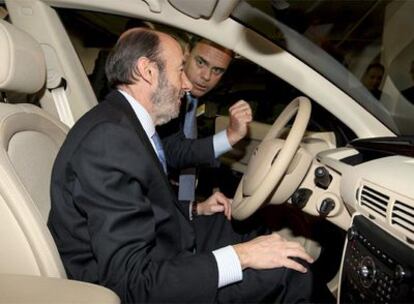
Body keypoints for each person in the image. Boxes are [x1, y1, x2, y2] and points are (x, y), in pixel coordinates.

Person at [48, 28, 315, 303]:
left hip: (162, 245)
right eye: (179, 71)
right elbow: (132, 284)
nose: (187, 85)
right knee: (289, 269)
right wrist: (242, 256)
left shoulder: (123, 122)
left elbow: (139, 201)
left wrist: (195, 208)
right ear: (148, 72)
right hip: (145, 283)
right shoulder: (108, 141)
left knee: (244, 226)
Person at [159, 37, 253, 201]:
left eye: (217, 70)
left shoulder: (200, 96)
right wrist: (230, 136)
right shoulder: (166, 91)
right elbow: (173, 152)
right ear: (187, 53)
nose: (206, 76)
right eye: (201, 62)